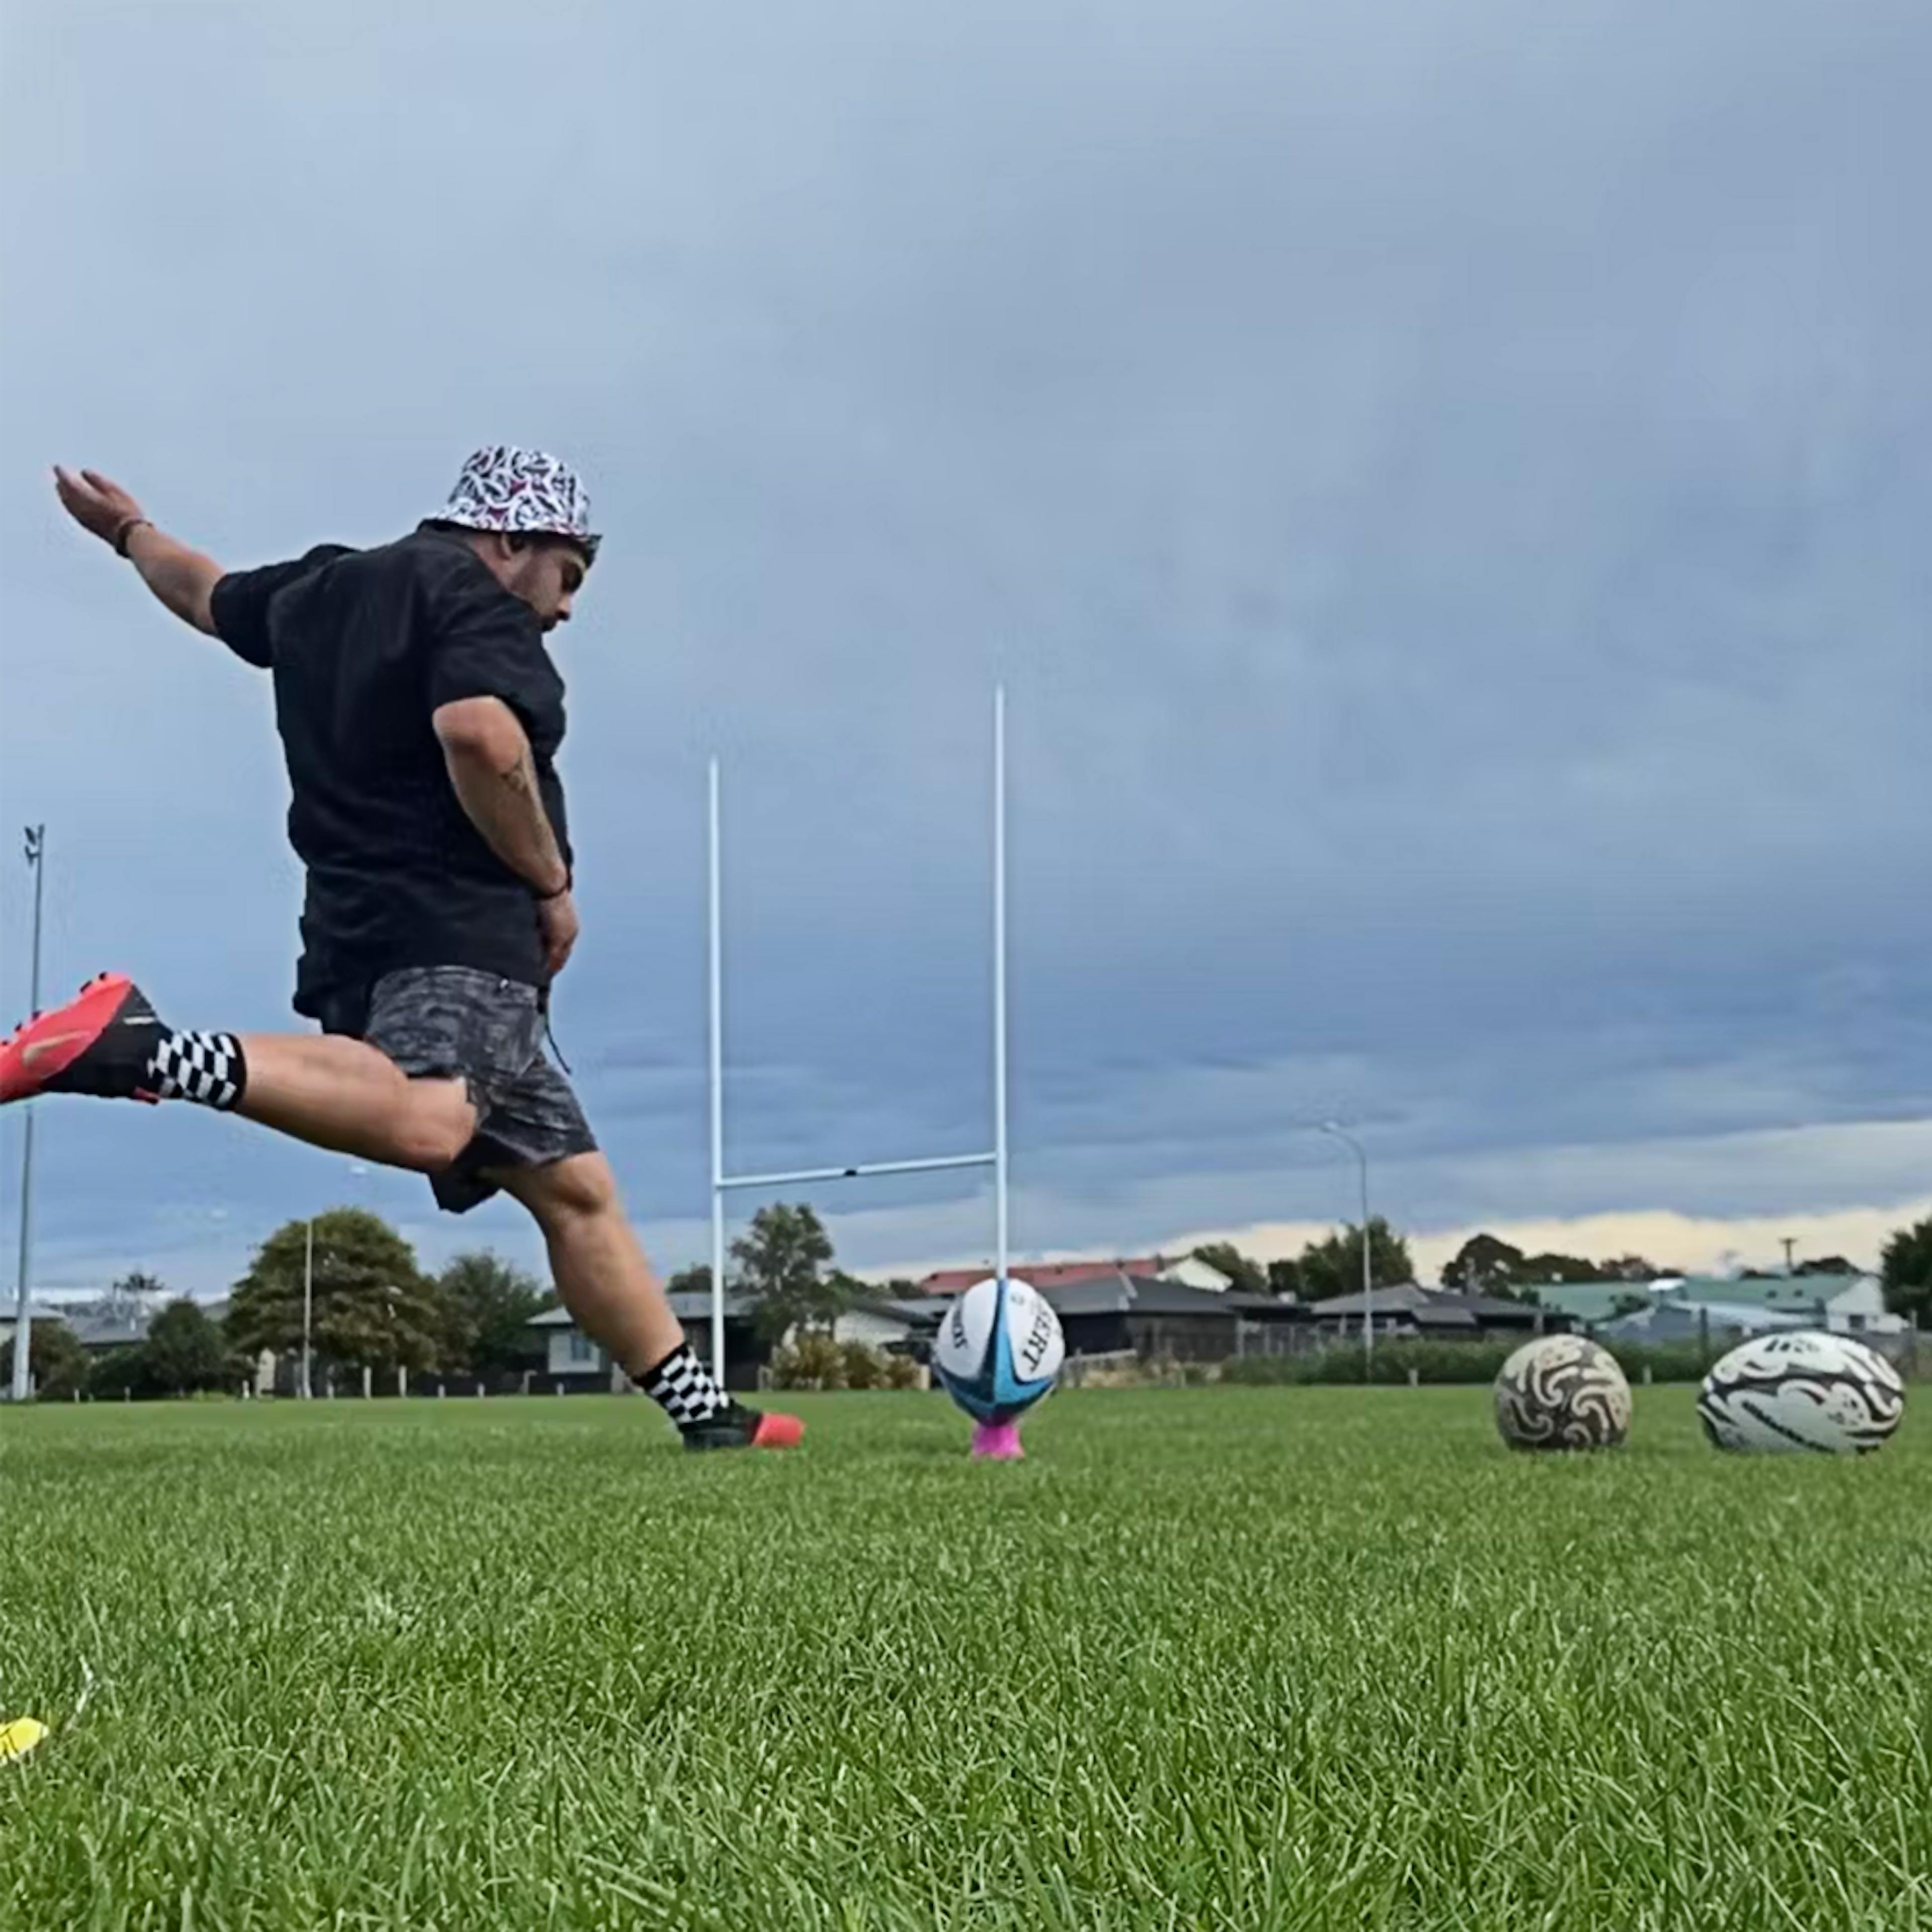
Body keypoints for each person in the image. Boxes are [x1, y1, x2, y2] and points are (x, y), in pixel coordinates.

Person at [8, 447, 800, 1452]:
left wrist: (128, 533)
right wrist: (552, 886)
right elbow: (480, 737)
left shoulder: (326, 586)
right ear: (515, 538)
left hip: (359, 931)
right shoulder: (477, 601)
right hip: (456, 931)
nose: (565, 609)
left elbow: (205, 595)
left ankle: (710, 1419)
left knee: (577, 1190)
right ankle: (140, 1048)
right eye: (570, 576)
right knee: (430, 1118)